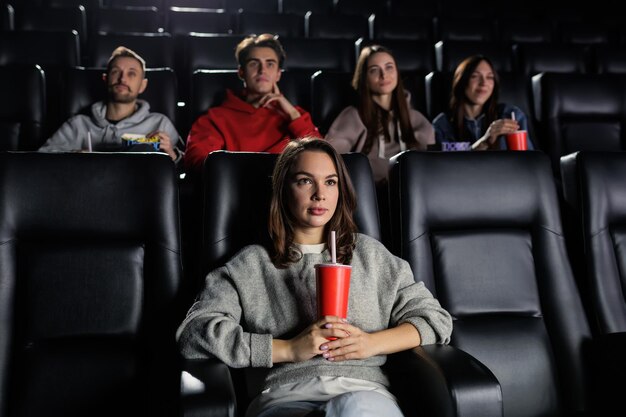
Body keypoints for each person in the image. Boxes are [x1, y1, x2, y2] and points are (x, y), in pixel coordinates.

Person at [177, 137, 452, 417]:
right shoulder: (251, 263)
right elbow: (194, 333)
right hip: (283, 398)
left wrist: (371, 343)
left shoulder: (371, 255)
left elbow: (436, 320)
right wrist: (288, 349)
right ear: (283, 189)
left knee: (353, 408)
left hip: (364, 395)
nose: (320, 194)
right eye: (305, 181)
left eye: (330, 182)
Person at [183, 33, 320, 174]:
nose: (262, 70)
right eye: (254, 63)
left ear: (278, 74)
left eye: (270, 64)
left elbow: (321, 159)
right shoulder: (214, 118)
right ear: (241, 72)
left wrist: (292, 114)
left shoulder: (296, 116)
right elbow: (198, 162)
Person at [38, 46, 184, 162]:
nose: (122, 79)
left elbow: (187, 170)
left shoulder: (160, 123)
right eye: (116, 72)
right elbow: (40, 159)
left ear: (142, 85)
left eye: (131, 73)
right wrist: (73, 158)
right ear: (105, 79)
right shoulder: (78, 124)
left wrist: (172, 155)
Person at [326, 44, 435, 185]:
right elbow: (331, 161)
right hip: (370, 194)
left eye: (389, 67)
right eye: (374, 70)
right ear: (364, 77)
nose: (384, 75)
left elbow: (430, 166)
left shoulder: (417, 118)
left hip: (412, 193)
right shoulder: (352, 116)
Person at [432, 54, 534, 151]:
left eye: (490, 77)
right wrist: (485, 142)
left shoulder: (511, 115)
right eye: (475, 76)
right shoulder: (443, 124)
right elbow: (447, 162)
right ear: (461, 81)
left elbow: (528, 161)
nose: (483, 83)